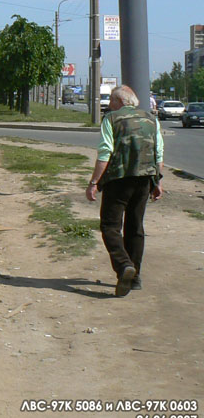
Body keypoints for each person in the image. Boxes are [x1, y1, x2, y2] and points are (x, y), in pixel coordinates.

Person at [85, 85, 164, 296]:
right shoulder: (151, 119)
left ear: (119, 101)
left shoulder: (111, 119)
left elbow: (105, 153)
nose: (110, 103)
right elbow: (159, 154)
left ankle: (123, 266)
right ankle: (135, 278)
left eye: (111, 99)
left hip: (118, 180)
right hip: (144, 180)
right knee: (135, 227)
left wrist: (94, 183)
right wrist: (157, 183)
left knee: (110, 226)